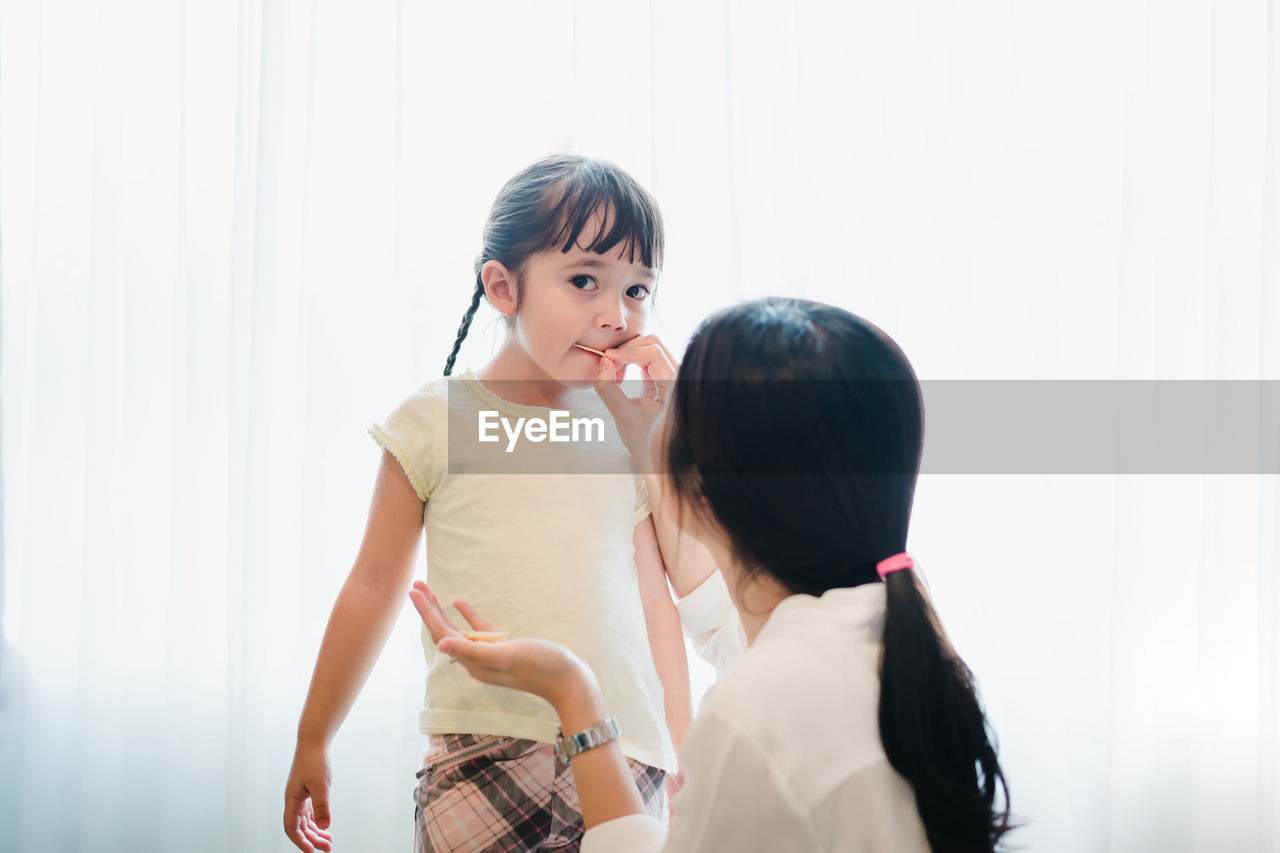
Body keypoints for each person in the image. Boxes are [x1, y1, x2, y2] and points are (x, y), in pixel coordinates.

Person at [412, 297, 1016, 851]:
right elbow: (718, 616)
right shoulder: (892, 629)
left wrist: (576, 695)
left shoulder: (757, 714)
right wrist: (648, 434)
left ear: (700, 488)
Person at [284, 155, 693, 853]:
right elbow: (373, 585)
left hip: (627, 752)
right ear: (503, 287)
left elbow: (656, 599)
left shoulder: (627, 427)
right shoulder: (435, 419)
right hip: (482, 746)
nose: (615, 314)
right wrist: (313, 734)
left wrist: (683, 744)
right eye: (585, 280)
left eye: (637, 289)